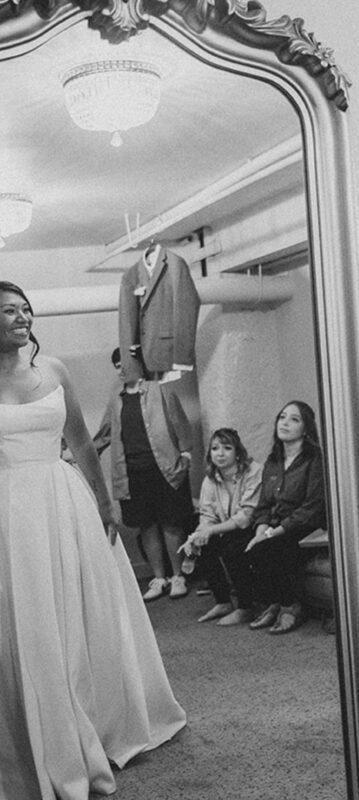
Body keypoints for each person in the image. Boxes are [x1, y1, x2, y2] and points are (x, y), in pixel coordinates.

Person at [0, 281, 186, 800]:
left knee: (84, 611)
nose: (22, 317)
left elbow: (80, 440)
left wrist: (105, 503)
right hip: (11, 508)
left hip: (64, 499)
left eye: (24, 309)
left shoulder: (53, 370)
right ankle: (44, 732)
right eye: (8, 311)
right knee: (31, 617)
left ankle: (101, 720)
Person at [99, 352, 196, 601]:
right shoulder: (116, 399)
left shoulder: (159, 389)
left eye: (125, 364)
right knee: (147, 526)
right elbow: (106, 433)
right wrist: (80, 453)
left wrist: (185, 454)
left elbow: (179, 421)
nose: (121, 370)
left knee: (171, 523)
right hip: (133, 473)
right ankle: (159, 578)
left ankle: (178, 576)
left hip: (165, 470)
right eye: (116, 366)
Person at [245, 400, 326, 634]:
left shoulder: (314, 459)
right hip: (273, 524)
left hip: (303, 527)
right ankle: (274, 604)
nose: (285, 423)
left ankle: (292, 607)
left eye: (294, 419)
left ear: (306, 428)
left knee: (266, 551)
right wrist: (261, 529)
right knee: (239, 546)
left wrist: (271, 533)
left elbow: (312, 508)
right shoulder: (273, 460)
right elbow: (263, 505)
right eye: (282, 417)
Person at [180, 428, 262, 625]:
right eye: (215, 448)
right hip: (228, 527)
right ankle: (223, 601)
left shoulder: (254, 471)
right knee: (203, 543)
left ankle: (245, 607)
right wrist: (198, 536)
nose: (220, 453)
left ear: (238, 452)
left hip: (257, 526)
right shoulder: (210, 479)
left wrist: (211, 530)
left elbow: (246, 516)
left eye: (227, 448)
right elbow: (207, 514)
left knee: (233, 547)